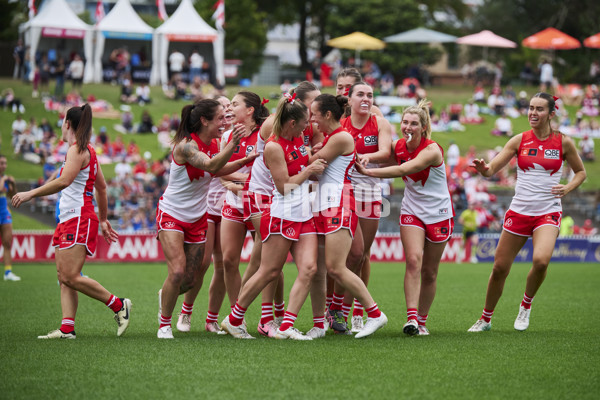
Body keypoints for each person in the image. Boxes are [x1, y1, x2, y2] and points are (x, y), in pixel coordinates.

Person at [467, 93, 586, 333]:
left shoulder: (564, 142)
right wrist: (483, 169)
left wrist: (568, 187)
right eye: (531, 108)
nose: (533, 113)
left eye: (539, 109)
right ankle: (485, 319)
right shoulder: (518, 140)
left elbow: (581, 172)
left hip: (548, 211)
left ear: (551, 114)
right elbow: (491, 171)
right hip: (519, 211)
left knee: (541, 261)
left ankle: (525, 305)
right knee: (500, 268)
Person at [11, 104, 129, 339]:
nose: (61, 126)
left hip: (77, 218)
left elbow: (64, 182)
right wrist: (103, 219)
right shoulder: (85, 150)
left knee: (70, 276)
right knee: (63, 276)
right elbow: (101, 187)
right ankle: (67, 328)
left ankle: (118, 305)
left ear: (68, 124)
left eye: (63, 121)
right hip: (71, 217)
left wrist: (30, 193)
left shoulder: (77, 150)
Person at [221, 95, 327, 340]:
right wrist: (309, 170)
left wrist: (313, 156)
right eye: (304, 123)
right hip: (282, 212)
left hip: (304, 213)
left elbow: (301, 163)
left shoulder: (298, 138)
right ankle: (235, 318)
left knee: (309, 268)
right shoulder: (273, 146)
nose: (307, 127)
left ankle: (285, 324)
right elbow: (284, 186)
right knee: (268, 271)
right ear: (291, 123)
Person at [355, 99, 454, 336]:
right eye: (404, 122)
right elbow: (382, 155)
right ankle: (411, 319)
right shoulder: (399, 147)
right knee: (412, 260)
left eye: (413, 123)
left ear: (423, 128)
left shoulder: (432, 150)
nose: (407, 127)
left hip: (439, 213)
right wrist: (362, 157)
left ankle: (422, 320)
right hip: (412, 211)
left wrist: (368, 171)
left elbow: (402, 170)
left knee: (429, 271)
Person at [155, 99, 246, 339]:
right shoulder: (186, 147)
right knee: (176, 273)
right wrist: (234, 144)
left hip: (197, 218)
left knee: (190, 280)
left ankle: (166, 294)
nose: (223, 122)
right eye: (219, 118)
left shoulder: (215, 143)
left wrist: (250, 163)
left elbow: (218, 170)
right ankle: (164, 325)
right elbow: (212, 164)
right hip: (172, 214)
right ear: (204, 121)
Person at [309, 93, 387, 339]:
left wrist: (291, 154)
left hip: (337, 203)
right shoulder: (335, 136)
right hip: (327, 202)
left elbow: (311, 167)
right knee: (321, 268)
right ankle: (320, 322)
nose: (312, 120)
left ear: (328, 115)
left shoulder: (340, 137)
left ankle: (374, 313)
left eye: (314, 115)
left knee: (335, 267)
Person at [340, 82, 392, 333]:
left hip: (371, 193)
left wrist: (368, 157)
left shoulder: (379, 122)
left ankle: (357, 312)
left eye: (370, 95)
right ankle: (336, 310)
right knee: (349, 254)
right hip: (344, 193)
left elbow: (386, 151)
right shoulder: (341, 124)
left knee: (361, 255)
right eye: (360, 94)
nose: (366, 99)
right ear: (349, 100)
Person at [219, 92, 267, 316]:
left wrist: (242, 182)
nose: (229, 108)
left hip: (260, 203)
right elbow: (220, 173)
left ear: (250, 110)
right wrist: (244, 182)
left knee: (267, 261)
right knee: (229, 260)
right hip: (235, 202)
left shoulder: (264, 134)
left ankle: (270, 315)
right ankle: (235, 314)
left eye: (235, 104)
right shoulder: (228, 136)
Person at [0, 156, 19, 281]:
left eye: (5, 163)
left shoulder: (5, 179)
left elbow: (12, 195)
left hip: (4, 212)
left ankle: (8, 272)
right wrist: (4, 180)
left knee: (7, 243)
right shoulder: (3, 179)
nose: (4, 165)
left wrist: (12, 183)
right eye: (1, 163)